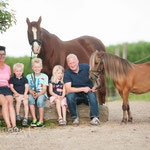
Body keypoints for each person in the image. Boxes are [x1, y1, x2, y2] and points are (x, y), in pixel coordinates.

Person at [63, 54, 100, 125]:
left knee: (92, 94)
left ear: (78, 61)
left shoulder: (87, 67)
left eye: (73, 62)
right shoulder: (67, 73)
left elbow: (97, 78)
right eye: (70, 63)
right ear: (68, 64)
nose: (72, 65)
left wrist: (95, 87)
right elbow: (68, 89)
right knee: (69, 96)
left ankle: (95, 118)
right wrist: (83, 89)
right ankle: (75, 118)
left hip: (88, 93)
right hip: (76, 97)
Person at [0, 46, 19, 132]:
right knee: (5, 102)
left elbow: (9, 80)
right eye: (0, 55)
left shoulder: (7, 67)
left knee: (10, 102)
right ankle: (8, 126)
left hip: (6, 88)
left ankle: (14, 125)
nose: (2, 56)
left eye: (3, 54)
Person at [26, 58, 48, 128]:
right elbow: (28, 88)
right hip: (32, 93)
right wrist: (31, 92)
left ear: (41, 67)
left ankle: (41, 120)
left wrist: (38, 94)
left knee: (40, 100)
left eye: (38, 67)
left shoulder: (44, 76)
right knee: (30, 98)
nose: (37, 69)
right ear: (32, 68)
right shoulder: (29, 76)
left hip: (41, 93)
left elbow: (44, 89)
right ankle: (34, 119)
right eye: (35, 67)